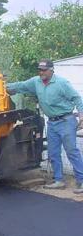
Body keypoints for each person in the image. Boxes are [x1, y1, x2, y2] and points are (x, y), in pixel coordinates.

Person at [7, 59, 83, 193]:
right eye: (39, 70)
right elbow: (21, 86)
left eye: (43, 70)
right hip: (52, 122)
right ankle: (59, 180)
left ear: (51, 70)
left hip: (66, 120)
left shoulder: (61, 83)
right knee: (53, 153)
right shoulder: (36, 82)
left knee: (71, 151)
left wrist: (82, 114)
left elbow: (77, 98)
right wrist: (4, 86)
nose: (41, 72)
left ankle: (81, 181)